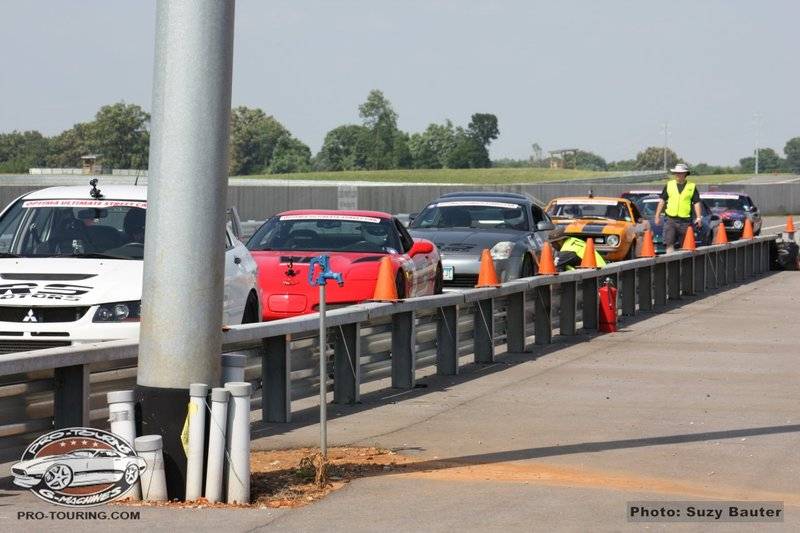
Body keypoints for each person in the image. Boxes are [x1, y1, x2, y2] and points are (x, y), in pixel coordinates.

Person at [654, 163, 702, 253]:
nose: (677, 175)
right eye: (676, 173)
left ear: (685, 174)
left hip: (685, 220)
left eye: (680, 173)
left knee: (685, 244)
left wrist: (698, 217)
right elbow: (662, 200)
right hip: (670, 219)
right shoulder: (669, 185)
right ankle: (670, 260)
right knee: (669, 243)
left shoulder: (691, 186)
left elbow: (696, 202)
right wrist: (657, 215)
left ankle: (683, 264)